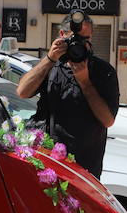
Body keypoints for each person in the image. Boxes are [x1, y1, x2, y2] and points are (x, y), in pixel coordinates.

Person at [16, 10, 119, 178]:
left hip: (84, 167)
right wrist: (49, 58)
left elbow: (108, 120)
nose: (81, 45)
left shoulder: (103, 71)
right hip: (47, 162)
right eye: (75, 39)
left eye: (86, 40)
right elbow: (22, 92)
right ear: (62, 35)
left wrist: (85, 83)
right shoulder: (51, 65)